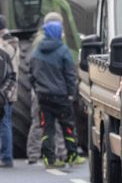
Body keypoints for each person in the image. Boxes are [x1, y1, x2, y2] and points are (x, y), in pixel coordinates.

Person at [30, 20, 84, 168]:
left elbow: (31, 76)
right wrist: (71, 94)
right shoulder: (63, 51)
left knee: (47, 128)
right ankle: (72, 156)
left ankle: (49, 159)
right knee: (67, 126)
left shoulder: (36, 52)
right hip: (61, 97)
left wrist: (38, 90)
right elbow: (70, 75)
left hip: (43, 97)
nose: (62, 34)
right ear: (56, 33)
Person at [26, 11, 67, 164]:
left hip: (40, 88)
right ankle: (58, 152)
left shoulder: (40, 40)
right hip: (48, 88)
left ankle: (34, 153)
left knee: (39, 121)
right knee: (51, 121)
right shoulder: (51, 40)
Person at [0, 14, 19, 168]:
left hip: (4, 90)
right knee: (6, 122)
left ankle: (6, 157)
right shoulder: (13, 41)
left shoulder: (5, 44)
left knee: (4, 122)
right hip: (10, 89)